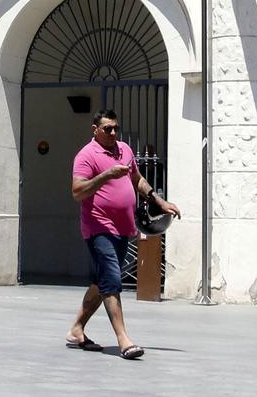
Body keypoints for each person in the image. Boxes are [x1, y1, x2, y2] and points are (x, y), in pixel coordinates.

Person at [64, 109, 179, 361]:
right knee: (112, 280)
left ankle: (76, 330)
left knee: (99, 282)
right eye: (108, 129)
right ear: (95, 130)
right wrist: (106, 175)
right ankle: (123, 340)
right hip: (98, 227)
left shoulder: (124, 150)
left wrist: (159, 200)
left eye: (116, 127)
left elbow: (137, 179)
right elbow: (77, 191)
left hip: (123, 227)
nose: (113, 132)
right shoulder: (86, 155)